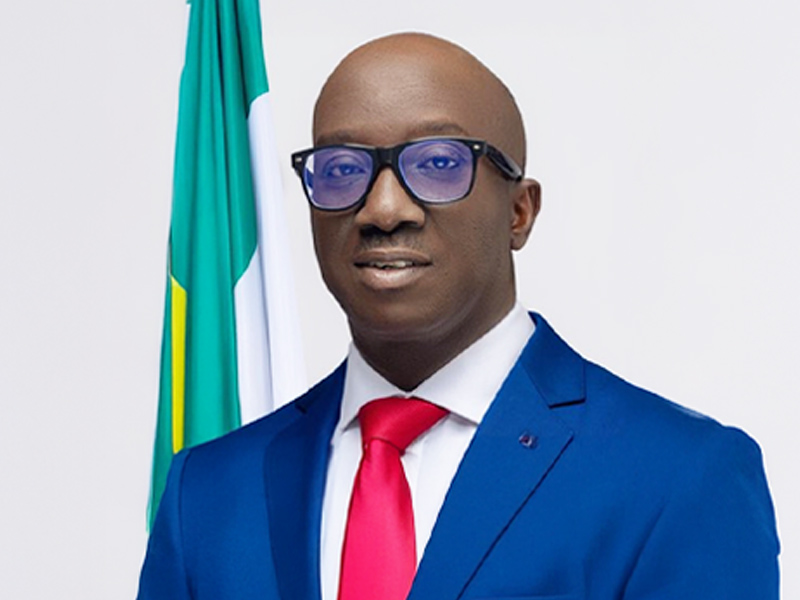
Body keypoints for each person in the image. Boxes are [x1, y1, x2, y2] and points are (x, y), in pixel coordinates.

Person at [137, 33, 780, 599]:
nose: (383, 209)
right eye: (341, 169)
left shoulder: (679, 478)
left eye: (439, 164)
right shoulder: (209, 492)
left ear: (520, 212)